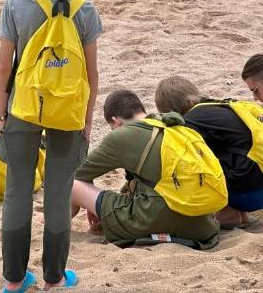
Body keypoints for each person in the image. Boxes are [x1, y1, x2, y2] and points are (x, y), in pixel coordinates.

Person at [0, 0, 100, 292]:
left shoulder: (16, 3)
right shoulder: (85, 10)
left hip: (24, 107)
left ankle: (13, 280)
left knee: (18, 192)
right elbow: (91, 75)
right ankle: (55, 279)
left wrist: (2, 110)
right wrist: (87, 121)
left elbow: (4, 64)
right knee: (58, 192)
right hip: (68, 111)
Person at [70, 90, 220, 248]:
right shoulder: (174, 128)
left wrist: (90, 206)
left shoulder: (121, 136)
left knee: (71, 185)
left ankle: (56, 225)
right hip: (202, 226)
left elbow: (77, 174)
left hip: (156, 218)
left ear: (116, 121)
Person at [154, 75, 263, 228]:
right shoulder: (220, 106)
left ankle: (228, 215)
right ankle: (240, 214)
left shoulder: (191, 121)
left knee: (194, 169)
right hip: (256, 183)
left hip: (251, 193)